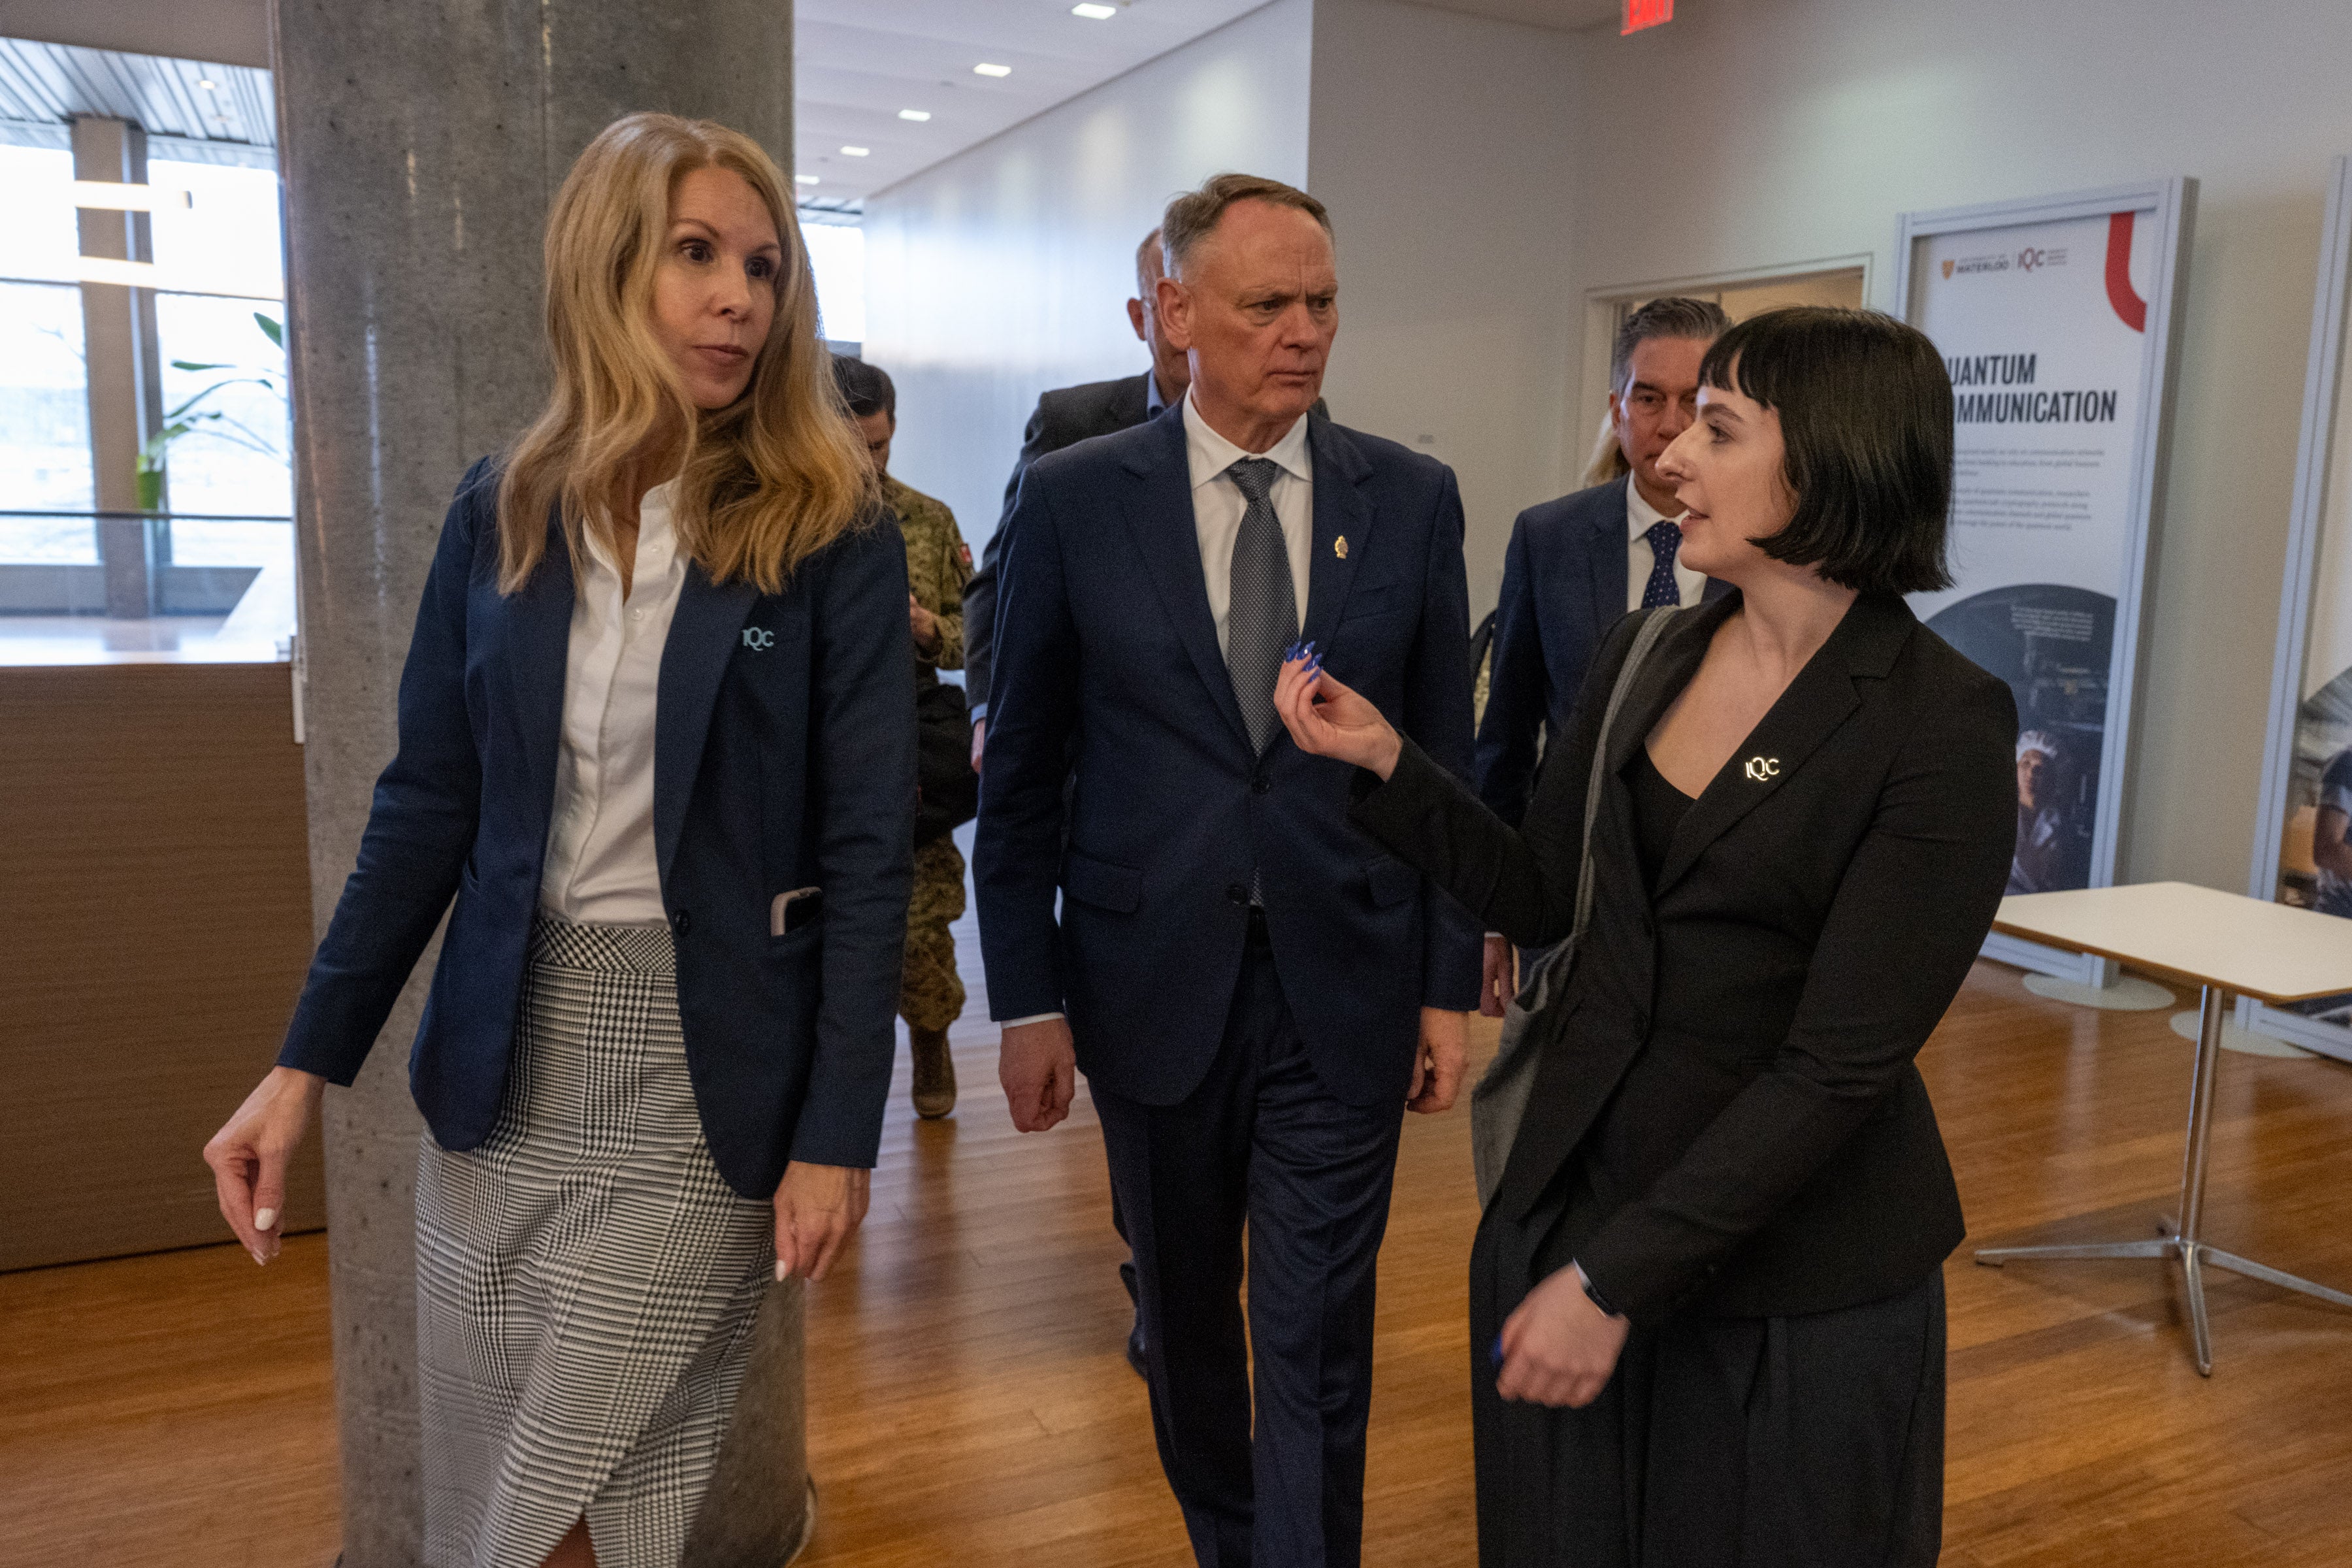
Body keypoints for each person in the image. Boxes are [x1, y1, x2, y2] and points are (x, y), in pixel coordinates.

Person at [200, 113, 915, 1568]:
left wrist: (841, 1135)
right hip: (508, 1067)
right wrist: (298, 1073)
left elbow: (865, 846)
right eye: (696, 254)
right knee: (528, 1502)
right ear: (605, 268)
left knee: (557, 1495)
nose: (739, 298)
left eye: (764, 267)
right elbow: (425, 808)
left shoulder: (828, 528)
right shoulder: (503, 508)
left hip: (703, 1080)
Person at [1273, 305, 2016, 1567]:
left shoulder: (1942, 723)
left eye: (1718, 429)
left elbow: (1838, 1070)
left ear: (1830, 461)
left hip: (1788, 1284)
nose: (1665, 457)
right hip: (1580, 1209)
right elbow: (1549, 896)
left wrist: (1616, 1280)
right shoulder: (1651, 651)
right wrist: (1390, 762)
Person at [975, 172, 1480, 1567]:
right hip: (1149, 987)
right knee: (1190, 1330)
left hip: (1348, 981)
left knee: (1317, 1338)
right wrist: (1025, 1000)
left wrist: (1448, 988)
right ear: (1178, 312)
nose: (1304, 332)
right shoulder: (1077, 500)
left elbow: (1444, 765)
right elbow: (1017, 775)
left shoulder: (1411, 497)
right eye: (1268, 305)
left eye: (1323, 302)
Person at [1473, 296, 1729, 1015]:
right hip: (1572, 887)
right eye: (1650, 398)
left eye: (1697, 401)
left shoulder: (1767, 553)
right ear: (1617, 406)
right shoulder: (1548, 538)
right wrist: (1492, 911)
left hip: (1715, 899)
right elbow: (1508, 738)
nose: (1672, 424)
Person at [962, 225, 1192, 772]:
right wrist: (989, 712)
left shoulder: (1297, 425)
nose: (1189, 328)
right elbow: (1001, 579)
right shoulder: (1073, 425)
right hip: (1095, 750)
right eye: (1171, 306)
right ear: (1142, 318)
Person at [835, 352, 975, 1119]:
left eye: (880, 447)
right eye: (851, 446)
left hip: (909, 736)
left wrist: (927, 630)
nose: (868, 464)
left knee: (921, 925)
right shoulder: (779, 518)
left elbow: (976, 639)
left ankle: (930, 1037)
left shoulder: (927, 520)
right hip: (818, 744)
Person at [2007, 728, 2085, 894]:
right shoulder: (1995, 812)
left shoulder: (2064, 830)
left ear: (2054, 778)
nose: (2030, 774)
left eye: (2040, 769)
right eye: (2026, 764)